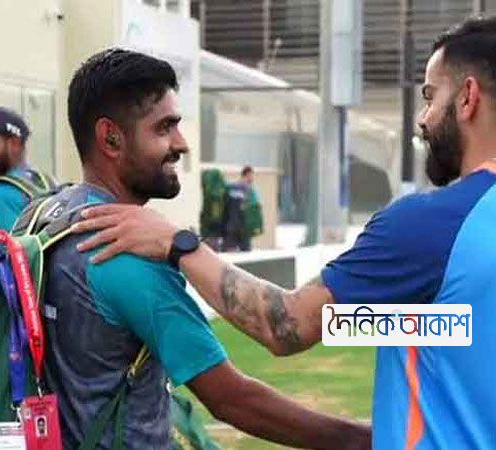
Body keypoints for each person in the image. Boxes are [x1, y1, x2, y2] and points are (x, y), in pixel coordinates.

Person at [73, 16, 496, 450]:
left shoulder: (428, 224)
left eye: (430, 96)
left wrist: (177, 243)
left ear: (467, 98)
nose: (423, 118)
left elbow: (285, 326)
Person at [35, 48, 369, 449]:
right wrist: (363, 440)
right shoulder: (122, 254)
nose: (181, 144)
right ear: (111, 138)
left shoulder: (43, 215)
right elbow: (231, 399)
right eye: (164, 128)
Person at [222, 165, 262, 251]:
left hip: (230, 227)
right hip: (244, 228)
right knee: (246, 253)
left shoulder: (230, 187)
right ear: (247, 175)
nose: (252, 178)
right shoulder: (249, 190)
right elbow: (255, 208)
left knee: (229, 252)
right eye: (251, 176)